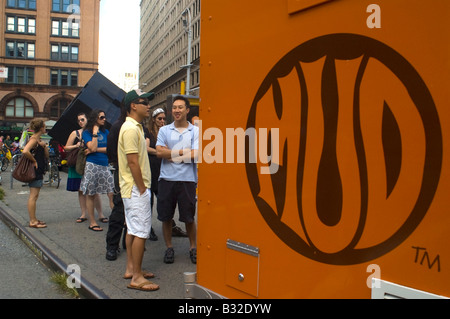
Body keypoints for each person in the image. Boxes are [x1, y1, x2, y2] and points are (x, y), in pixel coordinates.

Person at [118, 89, 159, 291]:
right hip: (135, 188)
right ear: (133, 105)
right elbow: (132, 162)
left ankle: (131, 269)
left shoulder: (133, 127)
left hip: (131, 188)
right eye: (145, 102)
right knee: (141, 231)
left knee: (133, 229)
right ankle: (136, 277)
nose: (148, 106)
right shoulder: (131, 129)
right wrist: (142, 188)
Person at [156, 95, 199, 264]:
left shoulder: (195, 131)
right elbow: (159, 153)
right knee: (166, 217)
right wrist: (183, 153)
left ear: (187, 110)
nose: (177, 110)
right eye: (174, 107)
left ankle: (193, 247)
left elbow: (196, 154)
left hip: (187, 180)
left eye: (180, 107)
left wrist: (172, 154)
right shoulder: (164, 130)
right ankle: (169, 248)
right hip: (167, 179)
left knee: (188, 217)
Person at [146, 108, 186, 239]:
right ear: (153, 119)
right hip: (152, 167)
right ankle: (148, 229)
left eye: (164, 118)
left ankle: (172, 226)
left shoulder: (165, 132)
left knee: (165, 202)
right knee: (149, 201)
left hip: (163, 169)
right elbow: (145, 148)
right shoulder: (149, 132)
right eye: (159, 118)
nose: (162, 121)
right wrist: (159, 152)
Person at [65, 113, 103, 223]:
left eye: (82, 119)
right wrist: (76, 146)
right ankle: (83, 214)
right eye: (79, 121)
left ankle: (100, 214)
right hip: (79, 163)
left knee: (94, 189)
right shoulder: (75, 133)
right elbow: (66, 147)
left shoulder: (94, 132)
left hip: (92, 162)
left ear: (87, 119)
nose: (80, 122)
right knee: (81, 190)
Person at [80, 110, 114, 232]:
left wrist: (95, 149)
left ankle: (117, 219)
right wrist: (94, 133)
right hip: (92, 165)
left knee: (111, 192)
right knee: (91, 194)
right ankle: (92, 222)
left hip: (105, 165)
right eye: (101, 117)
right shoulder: (87, 132)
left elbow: (110, 148)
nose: (104, 119)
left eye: (105, 117)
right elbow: (91, 147)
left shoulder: (106, 131)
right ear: (95, 118)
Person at [105, 108, 127, 261]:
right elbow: (111, 151)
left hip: (137, 174)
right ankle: (112, 246)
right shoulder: (119, 126)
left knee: (135, 210)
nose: (147, 106)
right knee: (119, 208)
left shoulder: (140, 126)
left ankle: (128, 242)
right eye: (143, 103)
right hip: (123, 173)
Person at [22, 119, 49, 229]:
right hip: (35, 170)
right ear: (41, 128)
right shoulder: (33, 140)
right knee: (33, 196)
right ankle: (32, 221)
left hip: (38, 170)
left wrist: (44, 146)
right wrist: (34, 161)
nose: (45, 128)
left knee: (35, 195)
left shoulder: (38, 140)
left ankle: (34, 219)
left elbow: (46, 156)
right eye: (44, 126)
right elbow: (25, 151)